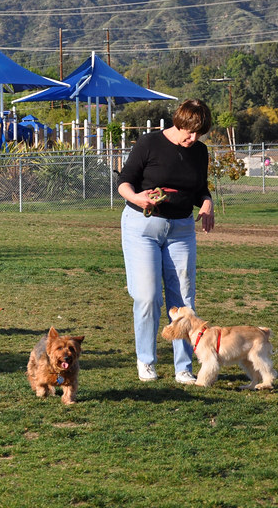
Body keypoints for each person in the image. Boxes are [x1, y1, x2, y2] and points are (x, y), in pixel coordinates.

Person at [116, 99, 215, 384]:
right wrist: (137, 197)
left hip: (181, 230)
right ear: (179, 122)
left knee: (184, 300)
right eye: (190, 132)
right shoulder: (149, 143)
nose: (193, 138)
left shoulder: (199, 151)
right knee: (148, 297)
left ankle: (184, 367)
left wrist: (207, 204)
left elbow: (200, 190)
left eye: (199, 134)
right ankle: (146, 362)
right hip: (142, 227)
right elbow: (124, 181)